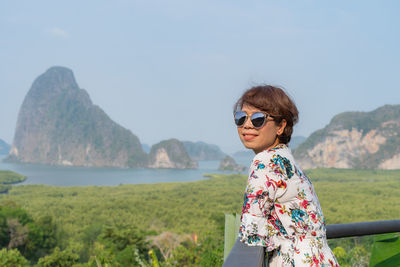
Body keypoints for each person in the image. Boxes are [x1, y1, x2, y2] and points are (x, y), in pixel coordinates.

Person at [235, 85, 339, 266]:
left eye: (258, 118)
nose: (247, 124)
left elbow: (251, 230)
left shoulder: (265, 161)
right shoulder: (285, 157)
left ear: (280, 126)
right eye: (241, 117)